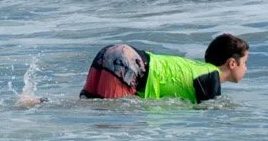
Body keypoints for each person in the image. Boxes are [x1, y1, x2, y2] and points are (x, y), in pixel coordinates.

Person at [80, 34, 249, 102]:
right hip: (128, 63)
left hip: (116, 54)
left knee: (90, 111)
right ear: (232, 63)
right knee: (110, 131)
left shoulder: (197, 69)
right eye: (246, 62)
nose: (246, 69)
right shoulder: (211, 76)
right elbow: (212, 116)